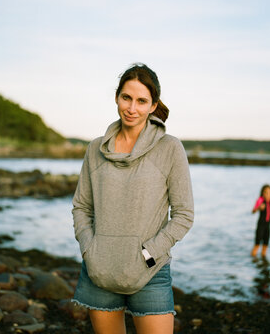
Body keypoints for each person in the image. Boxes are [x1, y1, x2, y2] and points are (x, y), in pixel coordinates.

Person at [71, 63, 194, 334]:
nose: (132, 108)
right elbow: (81, 206)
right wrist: (89, 250)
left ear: (153, 105)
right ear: (116, 97)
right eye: (126, 98)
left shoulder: (169, 148)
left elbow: (184, 214)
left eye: (141, 101)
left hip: (150, 272)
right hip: (99, 271)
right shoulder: (95, 149)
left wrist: (150, 253)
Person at [251, 184, 270, 258]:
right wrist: (259, 208)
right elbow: (253, 211)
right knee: (257, 245)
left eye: (269, 193)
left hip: (268, 227)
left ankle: (263, 261)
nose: (267, 195)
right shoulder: (260, 200)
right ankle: (253, 259)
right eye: (265, 192)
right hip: (260, 226)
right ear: (262, 193)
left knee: (265, 245)